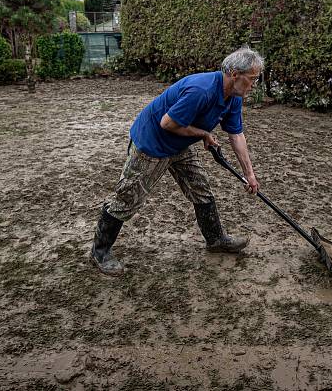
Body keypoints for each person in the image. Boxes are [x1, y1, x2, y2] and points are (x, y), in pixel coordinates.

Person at [90, 46, 264, 275]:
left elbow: (236, 135)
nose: (253, 85)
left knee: (200, 189)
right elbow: (167, 123)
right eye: (252, 79)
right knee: (128, 197)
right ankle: (99, 252)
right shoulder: (200, 90)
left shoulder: (233, 97)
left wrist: (249, 174)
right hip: (151, 143)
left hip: (179, 144)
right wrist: (203, 134)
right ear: (234, 74)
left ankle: (216, 239)